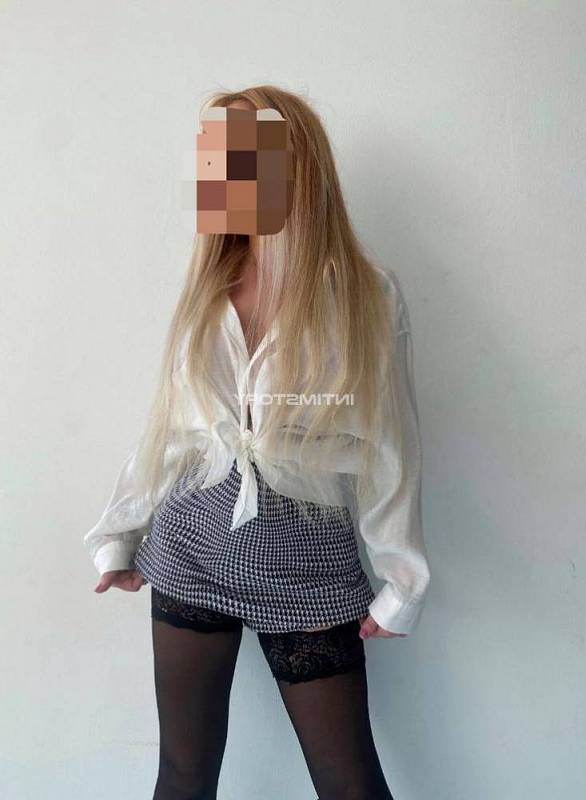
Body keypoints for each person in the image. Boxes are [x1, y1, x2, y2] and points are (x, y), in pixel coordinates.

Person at [84, 84, 431, 800]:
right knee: (183, 772)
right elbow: (172, 429)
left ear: (294, 166)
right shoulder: (207, 287)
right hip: (190, 546)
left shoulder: (365, 294)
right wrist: (120, 532)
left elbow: (389, 443)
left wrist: (402, 580)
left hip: (306, 555)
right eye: (216, 159)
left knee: (349, 781)